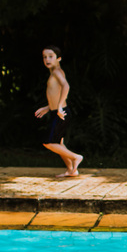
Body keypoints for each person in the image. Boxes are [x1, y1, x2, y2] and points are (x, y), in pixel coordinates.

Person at [34, 46, 83, 178]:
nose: (47, 59)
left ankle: (76, 157)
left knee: (49, 143)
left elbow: (66, 86)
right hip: (58, 111)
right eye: (44, 57)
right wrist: (48, 107)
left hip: (61, 112)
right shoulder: (55, 72)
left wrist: (60, 106)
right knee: (59, 143)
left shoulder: (57, 72)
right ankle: (71, 170)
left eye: (51, 56)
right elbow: (55, 93)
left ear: (59, 58)